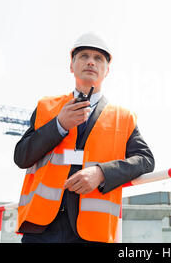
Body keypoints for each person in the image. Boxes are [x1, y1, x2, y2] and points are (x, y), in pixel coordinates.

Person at [14, 32, 155, 243]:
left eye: (98, 58)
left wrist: (102, 173)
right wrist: (59, 125)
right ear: (71, 65)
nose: (91, 61)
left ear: (107, 71)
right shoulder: (47, 107)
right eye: (84, 56)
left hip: (91, 232)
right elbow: (21, 157)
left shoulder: (123, 117)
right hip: (40, 228)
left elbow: (146, 160)